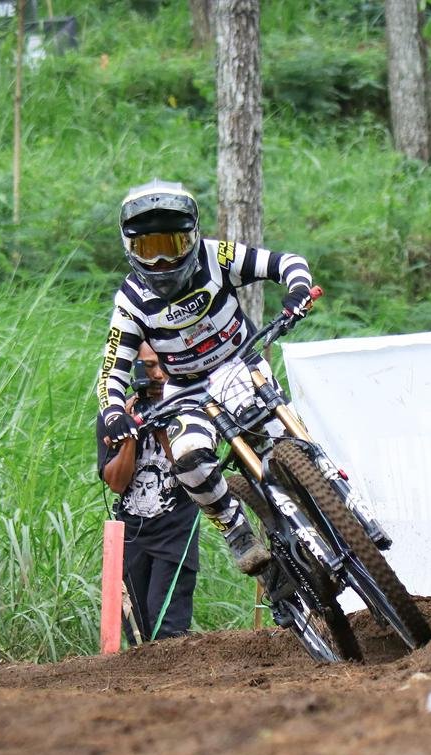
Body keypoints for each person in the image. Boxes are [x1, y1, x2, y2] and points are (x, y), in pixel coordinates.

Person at [96, 179, 315, 577]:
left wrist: (298, 289)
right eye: (149, 249)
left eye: (172, 245)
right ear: (130, 248)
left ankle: (327, 487)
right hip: (186, 389)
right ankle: (234, 528)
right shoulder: (130, 301)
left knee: (284, 442)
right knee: (188, 455)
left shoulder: (217, 257)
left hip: (239, 364)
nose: (162, 262)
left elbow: (286, 262)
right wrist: (113, 412)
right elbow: (112, 368)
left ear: (193, 237)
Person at [97, 341, 201, 643]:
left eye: (162, 364)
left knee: (168, 629)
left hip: (175, 532)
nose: (157, 374)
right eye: (149, 366)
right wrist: (130, 433)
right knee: (137, 631)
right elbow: (116, 483)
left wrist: (162, 429)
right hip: (132, 534)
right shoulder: (115, 415)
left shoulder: (190, 412)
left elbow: (194, 473)